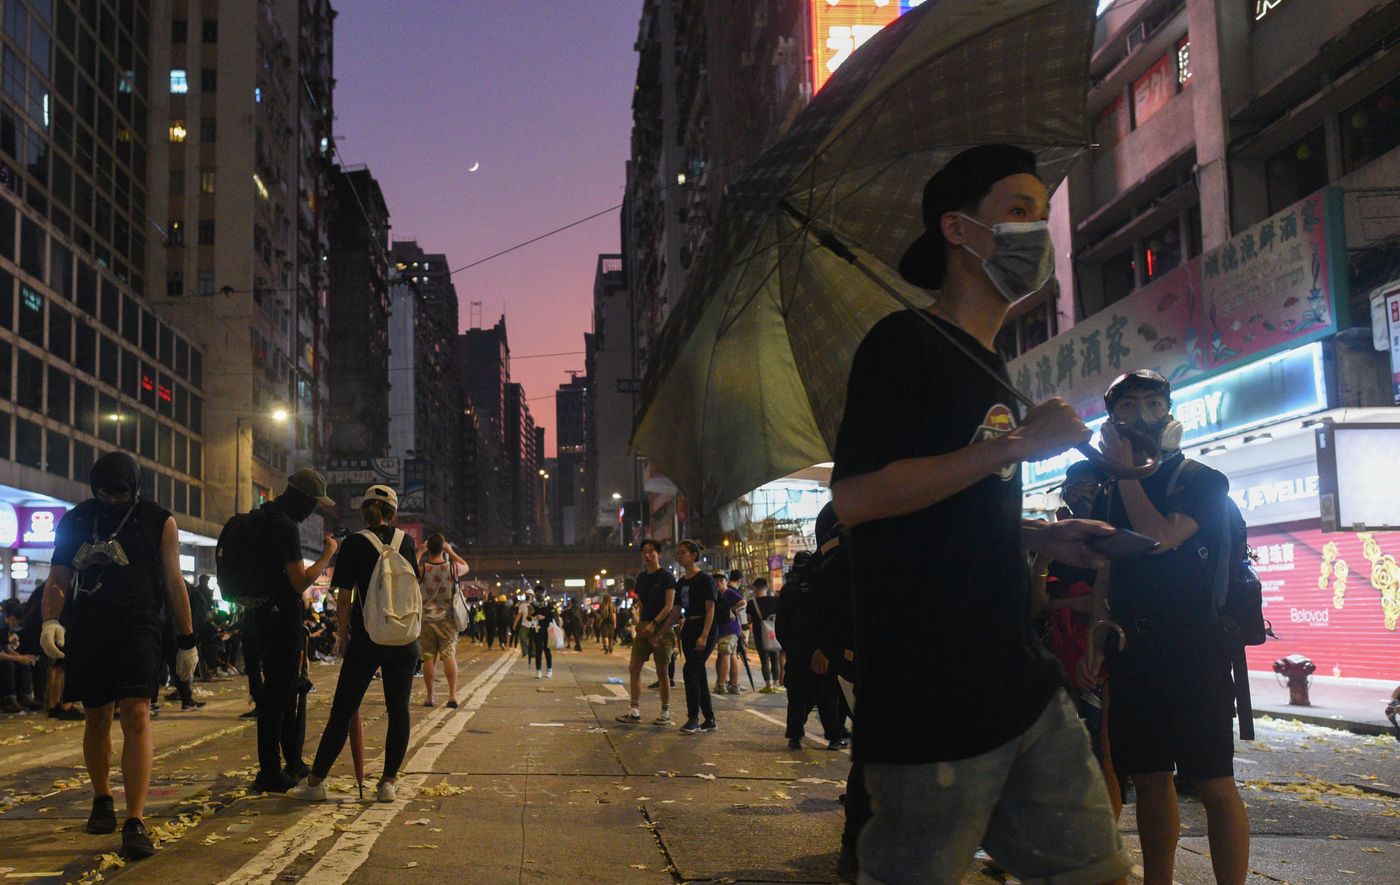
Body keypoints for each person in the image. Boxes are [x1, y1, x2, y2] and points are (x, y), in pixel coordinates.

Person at [830, 144, 1129, 884]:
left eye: (1041, 213)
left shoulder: (988, 364)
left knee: (1095, 873)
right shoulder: (901, 344)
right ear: (958, 230)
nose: (1036, 230)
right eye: (1017, 211)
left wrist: (1042, 535)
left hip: (1019, 683)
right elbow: (858, 499)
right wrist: (1019, 444)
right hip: (931, 698)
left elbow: (953, 511)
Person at [1080, 369, 1250, 885]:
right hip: (1133, 649)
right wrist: (1097, 625)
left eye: (1154, 403)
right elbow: (1109, 564)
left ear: (1171, 412)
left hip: (1194, 647)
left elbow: (1158, 538)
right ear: (1111, 422)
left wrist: (1127, 474)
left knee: (1213, 781)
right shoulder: (1110, 488)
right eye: (1128, 406)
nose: (1143, 416)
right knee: (1150, 777)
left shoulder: (1201, 480)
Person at [40, 452, 200, 859]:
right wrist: (50, 619)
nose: (111, 499)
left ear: (134, 488)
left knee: (137, 713)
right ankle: (101, 798)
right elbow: (59, 575)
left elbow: (173, 580)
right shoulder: (77, 519)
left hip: (138, 624)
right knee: (96, 716)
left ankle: (135, 819)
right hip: (90, 624)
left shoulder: (158, 520)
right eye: (103, 492)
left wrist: (187, 639)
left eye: (119, 493)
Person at [288, 485, 420, 803]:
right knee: (398, 710)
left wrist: (342, 636)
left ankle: (316, 782)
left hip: (367, 639)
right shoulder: (407, 541)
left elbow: (344, 598)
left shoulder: (355, 543)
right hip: (405, 638)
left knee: (343, 711)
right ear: (393, 513)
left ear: (364, 512)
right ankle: (388, 783)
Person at [245, 468, 338, 794]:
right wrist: (328, 554)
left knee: (284, 693)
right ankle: (270, 772)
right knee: (277, 697)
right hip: (280, 618)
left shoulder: (263, 517)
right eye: (314, 503)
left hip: (261, 615)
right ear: (303, 500)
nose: (313, 510)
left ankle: (293, 763)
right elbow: (299, 581)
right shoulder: (284, 526)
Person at [616, 539, 678, 725]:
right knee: (634, 667)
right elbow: (641, 603)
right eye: (644, 552)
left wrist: (654, 623)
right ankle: (634, 711)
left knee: (662, 672)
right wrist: (640, 623)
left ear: (659, 554)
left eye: (651, 551)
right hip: (644, 627)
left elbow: (669, 605)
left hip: (662, 629)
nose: (647, 555)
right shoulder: (641, 578)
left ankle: (665, 712)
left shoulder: (667, 577)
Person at [417, 534, 468, 707]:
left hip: (426, 619)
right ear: (442, 547)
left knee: (428, 658)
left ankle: (430, 697)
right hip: (447, 619)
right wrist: (451, 552)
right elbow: (466, 566)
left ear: (428, 548)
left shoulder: (422, 568)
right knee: (448, 655)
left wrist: (419, 552)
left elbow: (409, 571)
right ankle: (452, 695)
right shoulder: (452, 568)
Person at [674, 541, 717, 734]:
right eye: (678, 553)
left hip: (704, 627)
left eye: (683, 552)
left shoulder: (705, 580)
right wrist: (660, 631)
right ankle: (709, 718)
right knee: (698, 673)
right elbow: (676, 611)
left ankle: (693, 719)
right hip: (689, 628)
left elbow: (710, 610)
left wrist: (704, 635)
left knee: (689, 670)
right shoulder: (681, 582)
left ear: (693, 555)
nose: (679, 556)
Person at [1, 599, 41, 712]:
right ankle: (9, 699)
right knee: (8, 663)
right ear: (12, 618)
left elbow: (6, 648)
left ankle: (25, 697)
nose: (19, 627)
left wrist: (22, 657)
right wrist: (17, 658)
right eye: (20, 624)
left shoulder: (5, 626)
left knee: (24, 663)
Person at [711, 573, 745, 695]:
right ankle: (734, 685)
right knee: (731, 655)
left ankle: (721, 685)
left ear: (726, 582)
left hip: (728, 630)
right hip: (728, 630)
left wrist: (731, 609)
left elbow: (743, 602)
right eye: (716, 580)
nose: (719, 583)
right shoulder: (717, 594)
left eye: (721, 580)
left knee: (725, 654)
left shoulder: (728, 592)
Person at [746, 579, 782, 693]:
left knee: (764, 661)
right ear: (767, 587)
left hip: (760, 635)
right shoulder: (776, 600)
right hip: (774, 634)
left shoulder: (751, 603)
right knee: (775, 659)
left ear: (755, 588)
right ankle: (776, 685)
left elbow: (749, 620)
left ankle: (768, 685)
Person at [529, 593, 556, 678]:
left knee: (547, 649)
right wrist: (533, 615)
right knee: (538, 650)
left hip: (547, 630)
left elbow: (552, 617)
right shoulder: (533, 605)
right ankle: (538, 671)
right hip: (537, 630)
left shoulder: (549, 605)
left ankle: (549, 669)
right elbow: (528, 618)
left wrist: (543, 617)